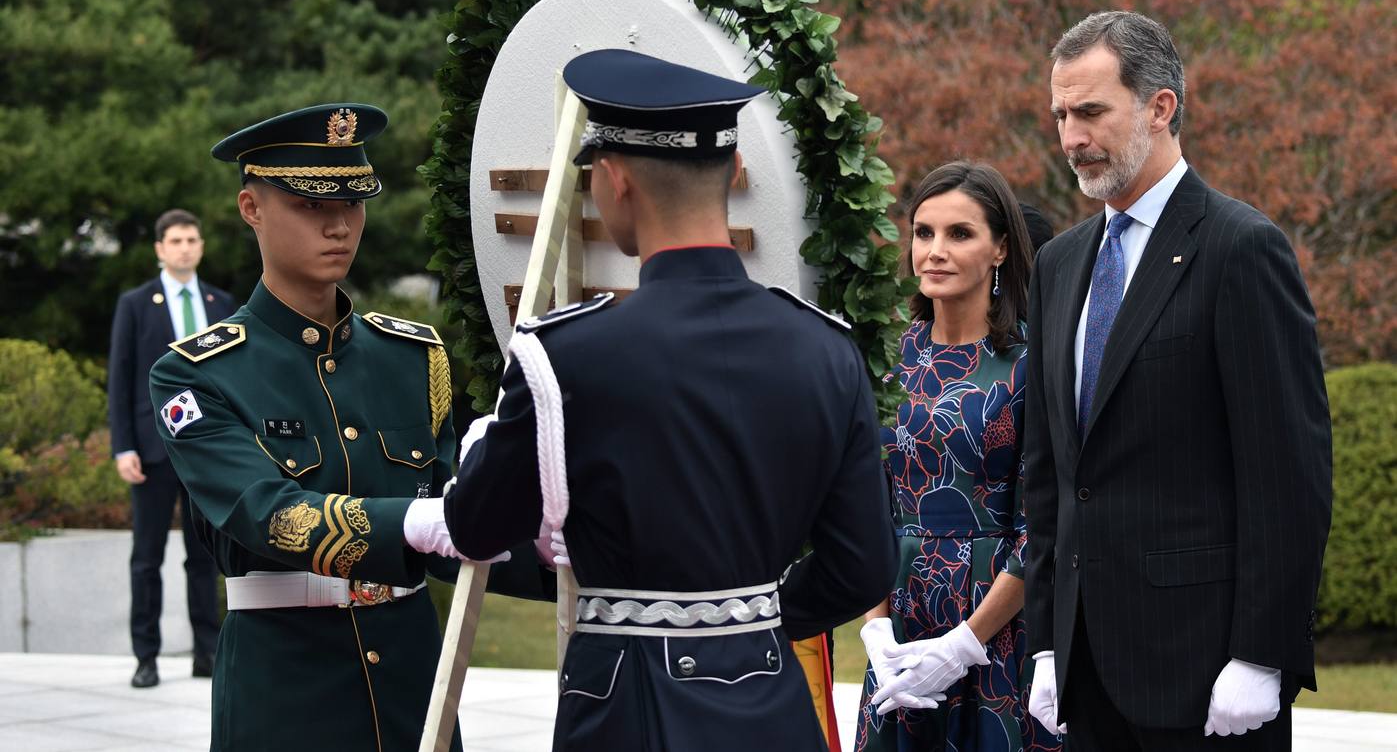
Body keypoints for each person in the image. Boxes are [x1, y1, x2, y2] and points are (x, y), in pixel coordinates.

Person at [442, 49, 898, 751]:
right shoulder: (826, 351)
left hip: (626, 712)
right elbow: (861, 566)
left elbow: (475, 531)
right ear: (735, 173)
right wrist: (749, 620)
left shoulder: (564, 355)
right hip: (769, 702)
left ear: (613, 179)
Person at [148, 104, 548, 751]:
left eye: (354, 202)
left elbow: (460, 534)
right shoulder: (197, 375)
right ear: (251, 208)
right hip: (287, 693)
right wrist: (419, 523)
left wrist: (562, 558)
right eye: (310, 206)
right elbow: (270, 514)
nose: (339, 225)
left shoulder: (412, 358)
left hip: (413, 689)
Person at [1022, 11, 1332, 750]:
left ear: (1159, 107)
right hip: (1084, 671)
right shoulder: (1058, 265)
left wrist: (1261, 653)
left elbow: (1288, 474)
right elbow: (1048, 473)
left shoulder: (1240, 249)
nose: (1070, 137)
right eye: (1061, 114)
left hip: (1209, 676)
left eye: (1091, 111)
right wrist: (1043, 640)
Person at [854, 162, 1060, 752]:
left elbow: (1041, 527)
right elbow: (872, 505)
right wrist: (876, 629)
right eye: (923, 233)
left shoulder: (1030, 363)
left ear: (1000, 249)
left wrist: (964, 645)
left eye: (959, 234)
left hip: (997, 624)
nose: (935, 251)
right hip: (899, 623)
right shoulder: (890, 355)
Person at [108, 208, 233, 688]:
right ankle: (146, 657)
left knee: (204, 556)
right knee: (147, 557)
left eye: (192, 239)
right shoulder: (137, 304)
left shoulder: (220, 304)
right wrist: (123, 447)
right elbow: (120, 380)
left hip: (205, 451)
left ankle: (207, 652)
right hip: (152, 451)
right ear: (160, 248)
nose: (184, 247)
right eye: (175, 240)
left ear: (201, 246)